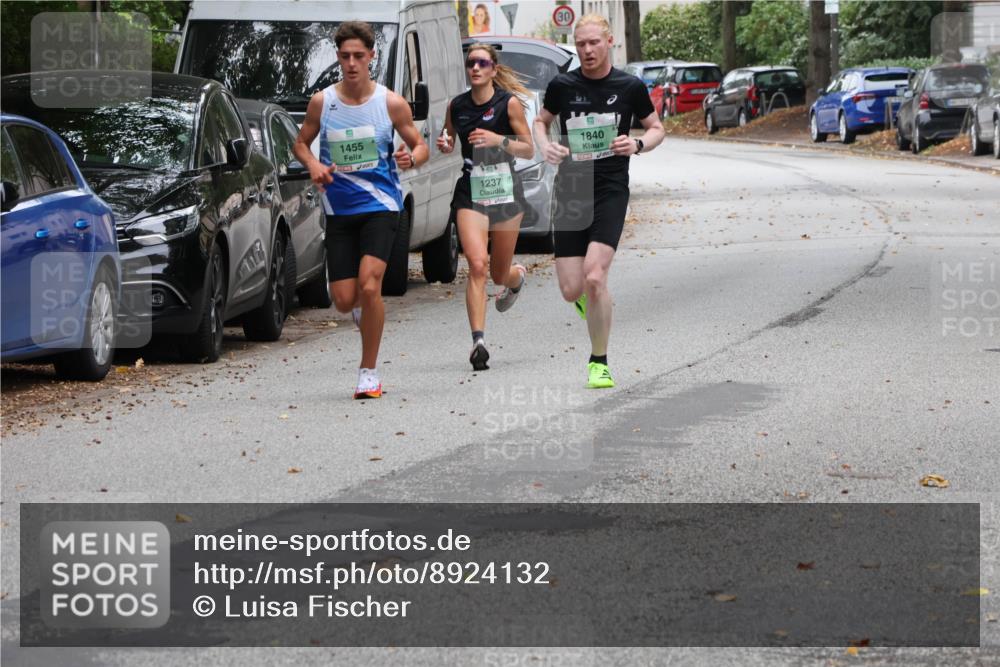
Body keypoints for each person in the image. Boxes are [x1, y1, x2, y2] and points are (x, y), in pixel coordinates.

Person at [293, 20, 428, 399]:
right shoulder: (324, 102)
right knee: (343, 300)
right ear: (338, 58)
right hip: (339, 212)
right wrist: (314, 166)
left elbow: (420, 146)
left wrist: (410, 158)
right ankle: (362, 311)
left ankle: (368, 373)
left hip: (382, 207)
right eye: (344, 56)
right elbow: (301, 143)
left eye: (358, 56)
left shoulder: (389, 103)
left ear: (372, 57)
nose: (351, 63)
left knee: (371, 284)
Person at [532, 14, 664, 389]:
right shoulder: (562, 85)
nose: (587, 50)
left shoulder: (629, 86)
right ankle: (591, 301)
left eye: (594, 42)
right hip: (572, 187)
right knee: (571, 289)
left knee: (594, 275)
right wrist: (546, 146)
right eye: (581, 43)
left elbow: (657, 128)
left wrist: (636, 144)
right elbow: (540, 122)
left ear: (609, 42)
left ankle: (599, 361)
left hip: (609, 188)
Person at [438, 44, 534, 370]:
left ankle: (515, 278)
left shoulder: (507, 105)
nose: (475, 68)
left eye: (482, 63)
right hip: (471, 192)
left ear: (493, 69)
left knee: (497, 272)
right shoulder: (457, 106)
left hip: (505, 191)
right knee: (477, 265)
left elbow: (528, 149)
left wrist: (498, 141)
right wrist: (445, 142)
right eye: (471, 63)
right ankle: (478, 341)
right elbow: (448, 137)